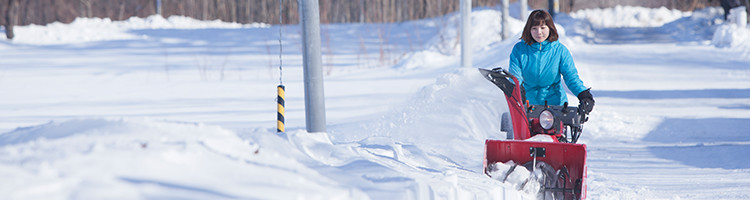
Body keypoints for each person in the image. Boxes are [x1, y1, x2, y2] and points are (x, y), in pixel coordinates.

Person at [508, 10, 594, 114]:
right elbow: (515, 77)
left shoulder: (560, 51)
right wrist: (518, 92)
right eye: (534, 28)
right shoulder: (519, 50)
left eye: (543, 28)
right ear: (529, 30)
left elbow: (571, 77)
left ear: (550, 28)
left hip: (555, 106)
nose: (539, 32)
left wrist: (583, 95)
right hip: (527, 106)